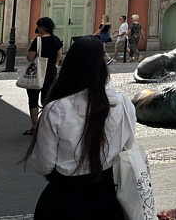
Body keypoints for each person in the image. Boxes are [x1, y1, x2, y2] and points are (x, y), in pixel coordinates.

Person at [27, 36, 135, 219]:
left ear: (70, 67)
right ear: (103, 69)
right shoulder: (123, 104)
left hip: (64, 198)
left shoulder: (56, 109)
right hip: (107, 198)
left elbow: (44, 164)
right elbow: (128, 149)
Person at [25, 17, 64, 136]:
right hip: (51, 72)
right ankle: (47, 126)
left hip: (37, 72)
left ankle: (35, 127)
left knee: (33, 100)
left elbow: (30, 58)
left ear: (42, 27)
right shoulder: (57, 40)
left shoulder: (38, 41)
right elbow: (59, 56)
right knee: (48, 99)